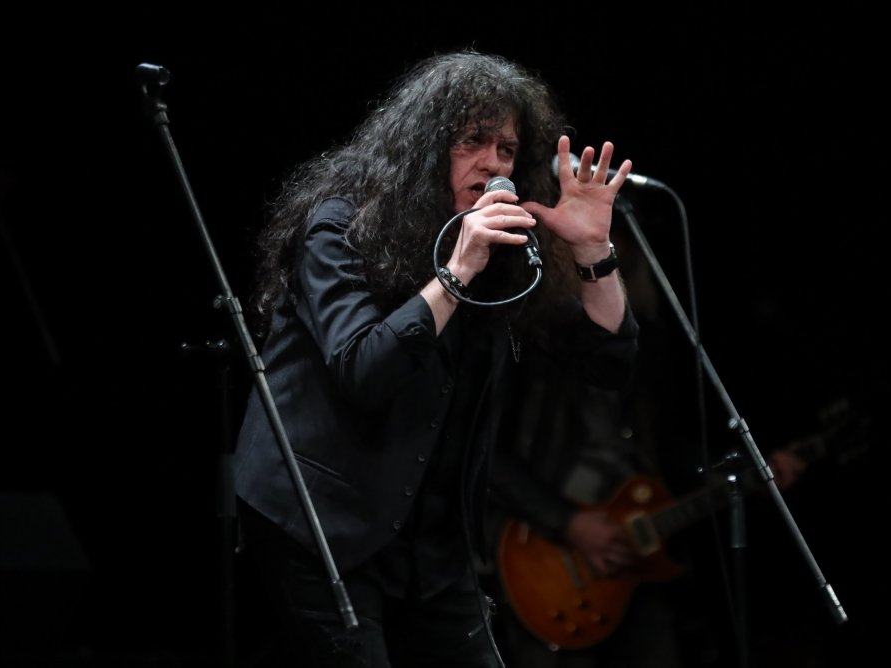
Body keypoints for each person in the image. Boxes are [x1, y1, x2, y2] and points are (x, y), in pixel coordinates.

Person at [231, 50, 640, 668]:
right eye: (472, 141)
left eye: (506, 148)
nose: (493, 163)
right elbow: (365, 370)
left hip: (433, 540)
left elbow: (610, 361)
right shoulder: (340, 227)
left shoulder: (505, 255)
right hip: (323, 521)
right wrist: (457, 270)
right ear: (426, 148)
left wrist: (592, 253)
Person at [482, 220, 818, 668]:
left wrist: (747, 473)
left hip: (636, 560)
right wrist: (566, 522)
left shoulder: (651, 346)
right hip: (546, 554)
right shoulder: (532, 342)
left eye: (611, 257)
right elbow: (489, 455)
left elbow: (671, 450)